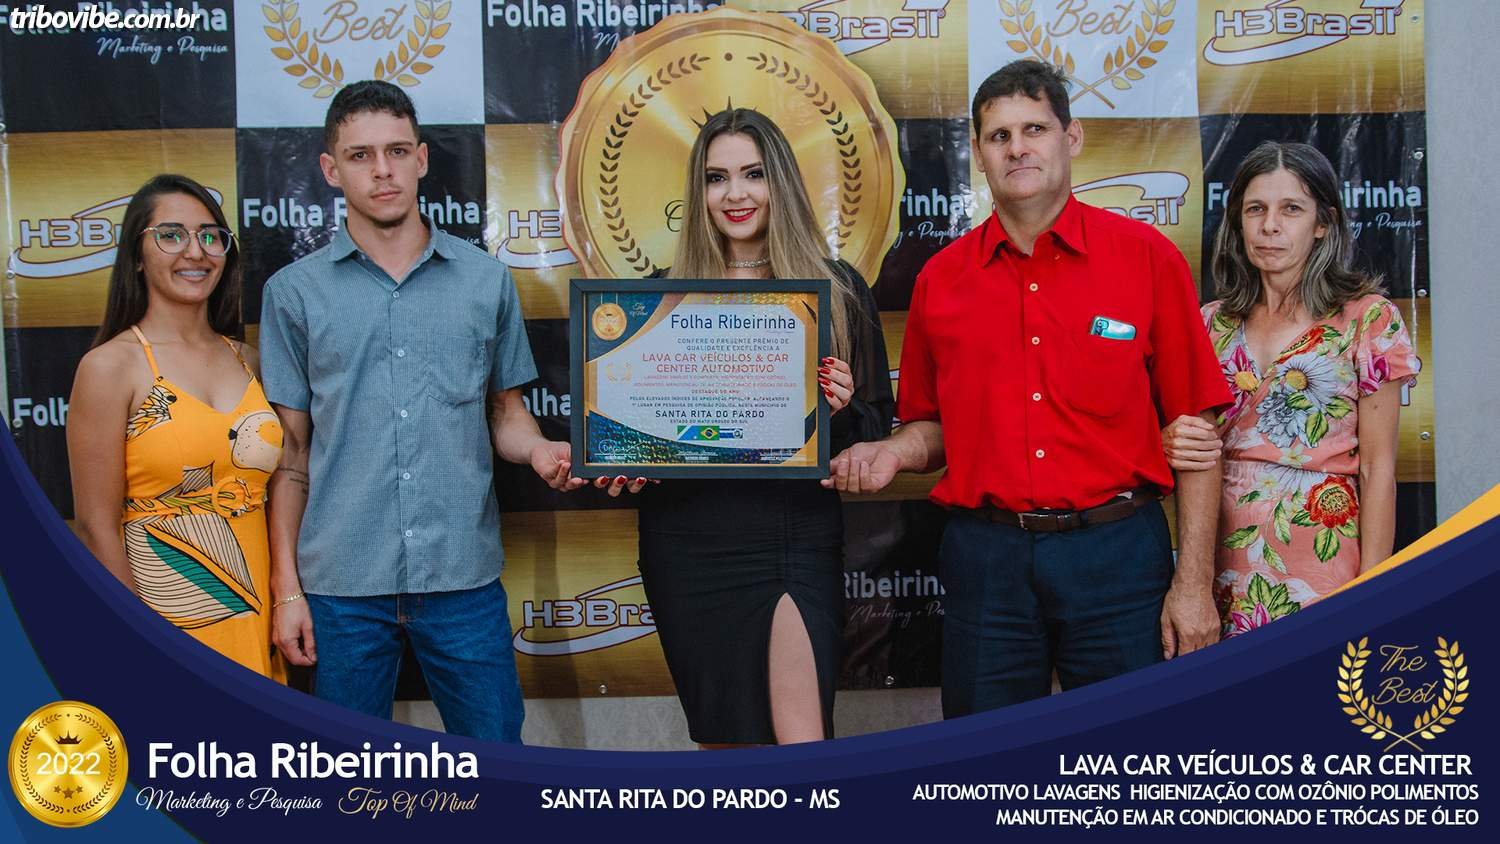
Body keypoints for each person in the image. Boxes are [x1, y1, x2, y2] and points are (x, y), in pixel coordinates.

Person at [825, 60, 1232, 717]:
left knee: (1129, 762)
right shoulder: (941, 281)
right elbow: (933, 429)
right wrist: (893, 452)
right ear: (979, 154)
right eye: (999, 135)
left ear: (1071, 137)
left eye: (1034, 129)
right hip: (988, 560)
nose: (1017, 148)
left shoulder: (1147, 258)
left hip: (1117, 554)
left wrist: (1193, 585)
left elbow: (1198, 434)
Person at [258, 81, 585, 742]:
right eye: (360, 155)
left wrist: (539, 449)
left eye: (397, 151)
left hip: (462, 578)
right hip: (341, 585)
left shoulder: (485, 280)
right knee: (345, 778)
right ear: (330, 169)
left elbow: (506, 414)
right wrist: (287, 590)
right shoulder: (292, 293)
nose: (382, 170)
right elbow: (291, 457)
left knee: (498, 763)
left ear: (422, 159)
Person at [634, 108, 893, 745]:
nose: (736, 193)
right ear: (699, 192)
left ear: (781, 182)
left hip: (791, 537)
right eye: (717, 178)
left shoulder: (837, 289)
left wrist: (842, 407)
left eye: (753, 174)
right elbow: (639, 427)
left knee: (801, 746)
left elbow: (875, 430)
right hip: (688, 541)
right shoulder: (658, 294)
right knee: (722, 746)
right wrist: (626, 457)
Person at [1161, 141, 1420, 638]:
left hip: (1323, 564)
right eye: (1255, 209)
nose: (1270, 226)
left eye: (1291, 209)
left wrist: (1375, 590)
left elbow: (1378, 467)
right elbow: (1187, 444)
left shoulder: (1367, 319)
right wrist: (1168, 441)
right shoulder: (1209, 324)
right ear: (1238, 221)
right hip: (1218, 566)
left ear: (1323, 222)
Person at [67, 174, 285, 679]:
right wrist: (143, 640)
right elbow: (96, 526)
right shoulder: (109, 367)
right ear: (137, 255)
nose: (195, 251)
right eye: (171, 235)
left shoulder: (250, 360)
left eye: (211, 236)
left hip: (256, 616)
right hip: (165, 621)